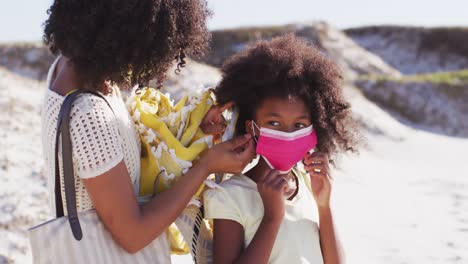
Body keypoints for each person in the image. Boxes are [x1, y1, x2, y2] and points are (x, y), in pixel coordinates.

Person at [40, 0, 255, 259]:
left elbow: (124, 158)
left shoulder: (73, 68)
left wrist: (193, 130)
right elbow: (133, 235)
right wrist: (206, 165)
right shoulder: (88, 113)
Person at [204, 35, 360, 264]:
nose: (288, 134)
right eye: (274, 123)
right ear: (251, 127)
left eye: (299, 125)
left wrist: (324, 206)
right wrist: (272, 218)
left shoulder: (308, 186)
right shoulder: (230, 194)